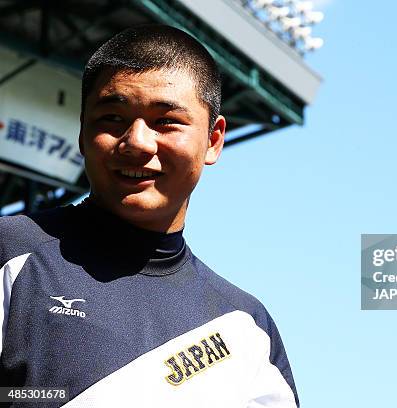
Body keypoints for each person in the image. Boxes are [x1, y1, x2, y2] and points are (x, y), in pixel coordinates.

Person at [0, 24, 298, 407]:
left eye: (165, 121)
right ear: (82, 132)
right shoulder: (10, 251)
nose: (137, 142)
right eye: (112, 118)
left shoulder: (248, 326)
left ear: (213, 139)